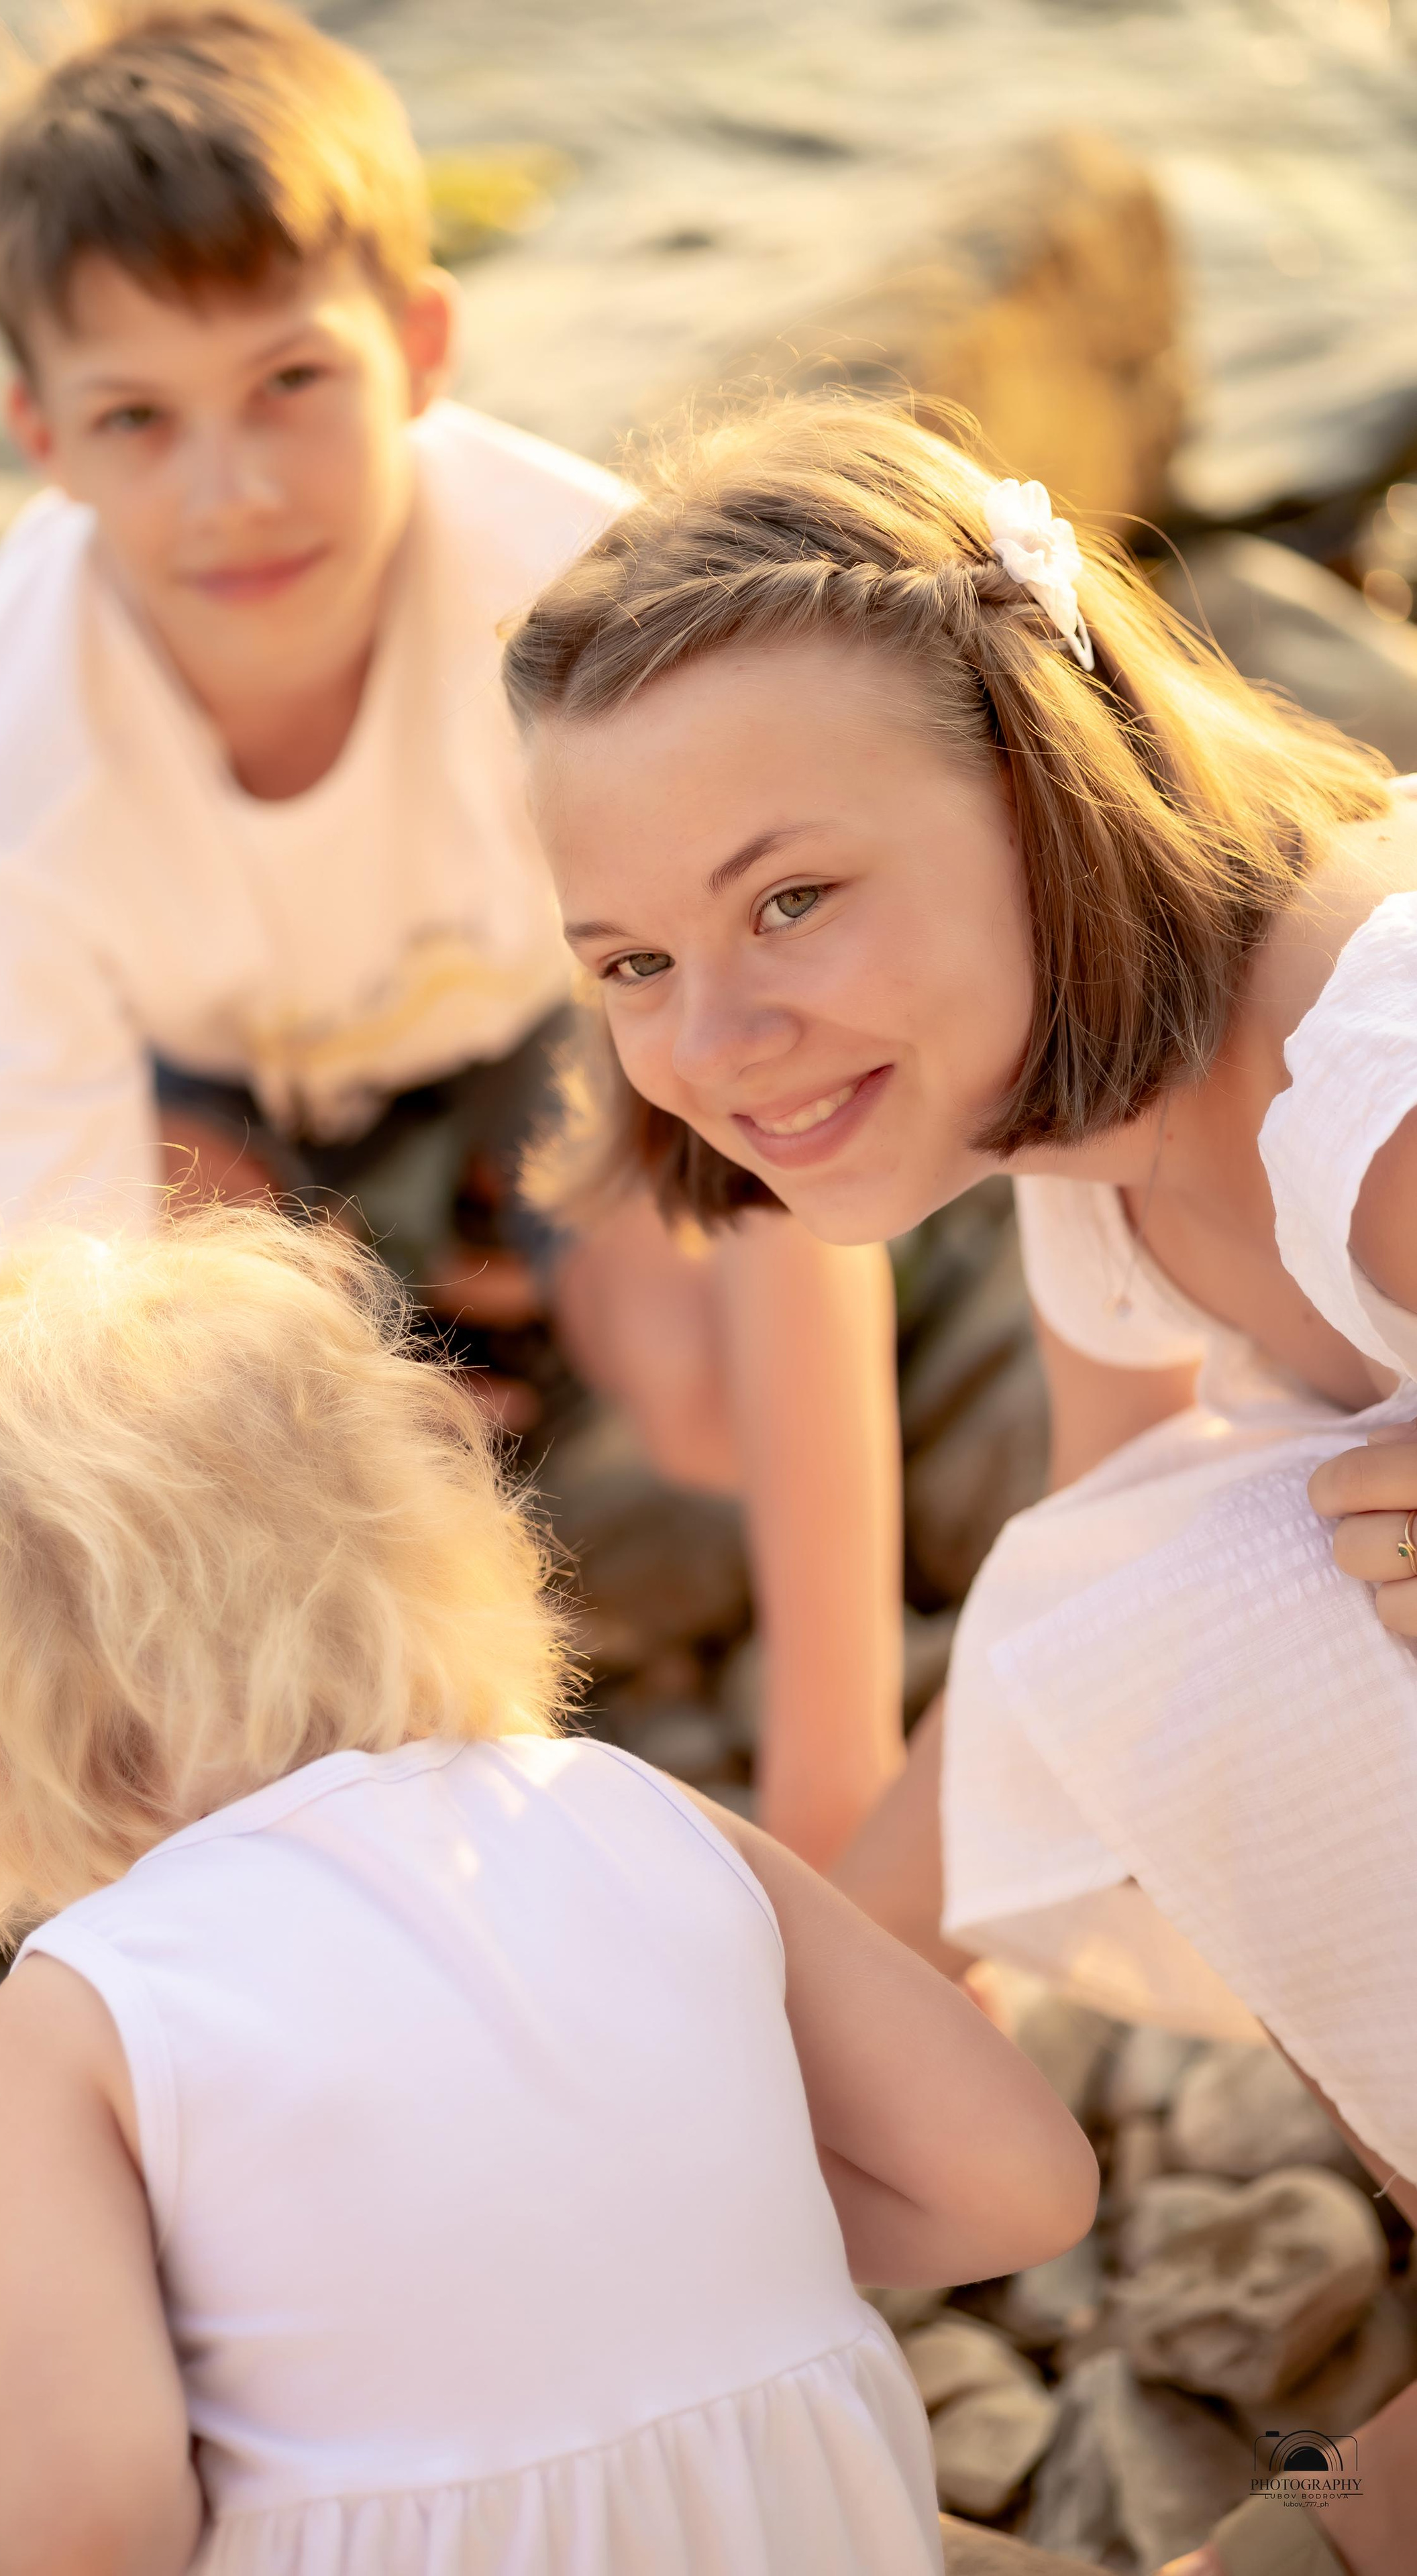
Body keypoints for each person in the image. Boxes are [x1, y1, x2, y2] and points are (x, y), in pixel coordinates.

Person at [502, 398, 1417, 2576]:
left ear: (1035, 791)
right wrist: (757, 2063)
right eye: (632, 964)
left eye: (793, 900)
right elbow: (1061, 1640)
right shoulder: (1094, 1145)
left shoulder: (1362, 1102)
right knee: (1154, 1587)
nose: (711, 1047)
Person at [0, 0, 902, 1869]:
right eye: (138, 419)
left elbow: (775, 1139)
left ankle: (526, 1302)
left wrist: (845, 1780)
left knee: (699, 1405)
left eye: (292, 381)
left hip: (550, 1026)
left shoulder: (582, 606)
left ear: (419, 346)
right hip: (212, 1098)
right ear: (42, 439)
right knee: (240, 1471)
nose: (236, 487)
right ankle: (427, 1356)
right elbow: (52, 1361)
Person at [0, 1210, 1098, 2576]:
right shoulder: (624, 1805)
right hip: (805, 2542)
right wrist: (620, 2236)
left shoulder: (87, 2010)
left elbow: (83, 2534)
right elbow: (1020, 2189)